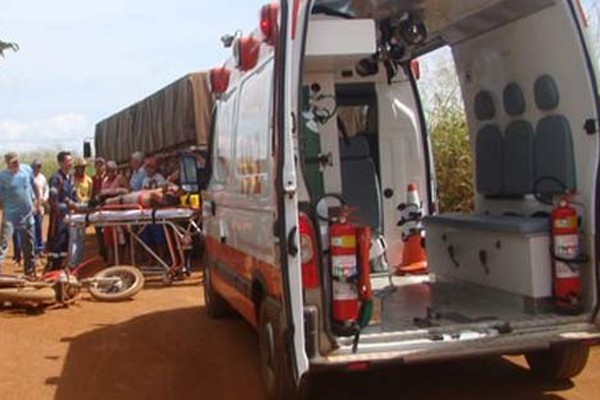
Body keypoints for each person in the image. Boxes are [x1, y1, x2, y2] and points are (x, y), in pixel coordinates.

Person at [0, 152, 39, 276]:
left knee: (29, 244)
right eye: (13, 162)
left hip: (27, 214)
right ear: (8, 164)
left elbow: (35, 186)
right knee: (4, 243)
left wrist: (38, 203)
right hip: (10, 215)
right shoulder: (2, 176)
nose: (16, 164)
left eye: (17, 161)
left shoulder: (27, 170)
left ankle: (29, 272)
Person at [47, 151, 76, 271]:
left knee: (66, 241)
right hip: (58, 218)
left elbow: (73, 196)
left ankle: (62, 269)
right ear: (60, 163)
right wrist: (62, 213)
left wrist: (75, 208)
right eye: (67, 161)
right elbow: (53, 200)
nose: (70, 163)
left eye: (70, 160)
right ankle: (53, 269)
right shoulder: (56, 178)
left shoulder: (70, 178)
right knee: (57, 241)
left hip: (69, 216)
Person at [91, 157, 107, 260]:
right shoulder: (92, 179)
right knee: (98, 230)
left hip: (107, 206)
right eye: (97, 164)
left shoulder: (108, 177)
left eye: (101, 164)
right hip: (97, 207)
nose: (99, 167)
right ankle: (102, 252)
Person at [32, 159, 49, 254]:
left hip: (40, 205)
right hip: (31, 206)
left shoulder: (42, 178)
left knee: (39, 227)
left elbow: (46, 189)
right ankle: (33, 248)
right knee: (32, 228)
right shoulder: (29, 177)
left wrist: (44, 199)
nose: (37, 168)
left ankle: (39, 247)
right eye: (36, 166)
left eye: (39, 166)